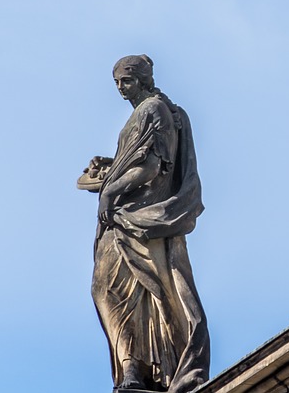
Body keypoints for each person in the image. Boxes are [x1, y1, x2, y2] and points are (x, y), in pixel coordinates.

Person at [83, 55, 210, 392]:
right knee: (116, 293)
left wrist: (111, 190)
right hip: (125, 220)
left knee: (123, 292)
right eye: (117, 83)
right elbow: (136, 161)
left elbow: (151, 167)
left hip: (137, 220)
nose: (121, 89)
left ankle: (137, 371)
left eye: (126, 81)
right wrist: (111, 167)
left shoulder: (154, 110)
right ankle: (132, 370)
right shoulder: (146, 113)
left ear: (141, 79)